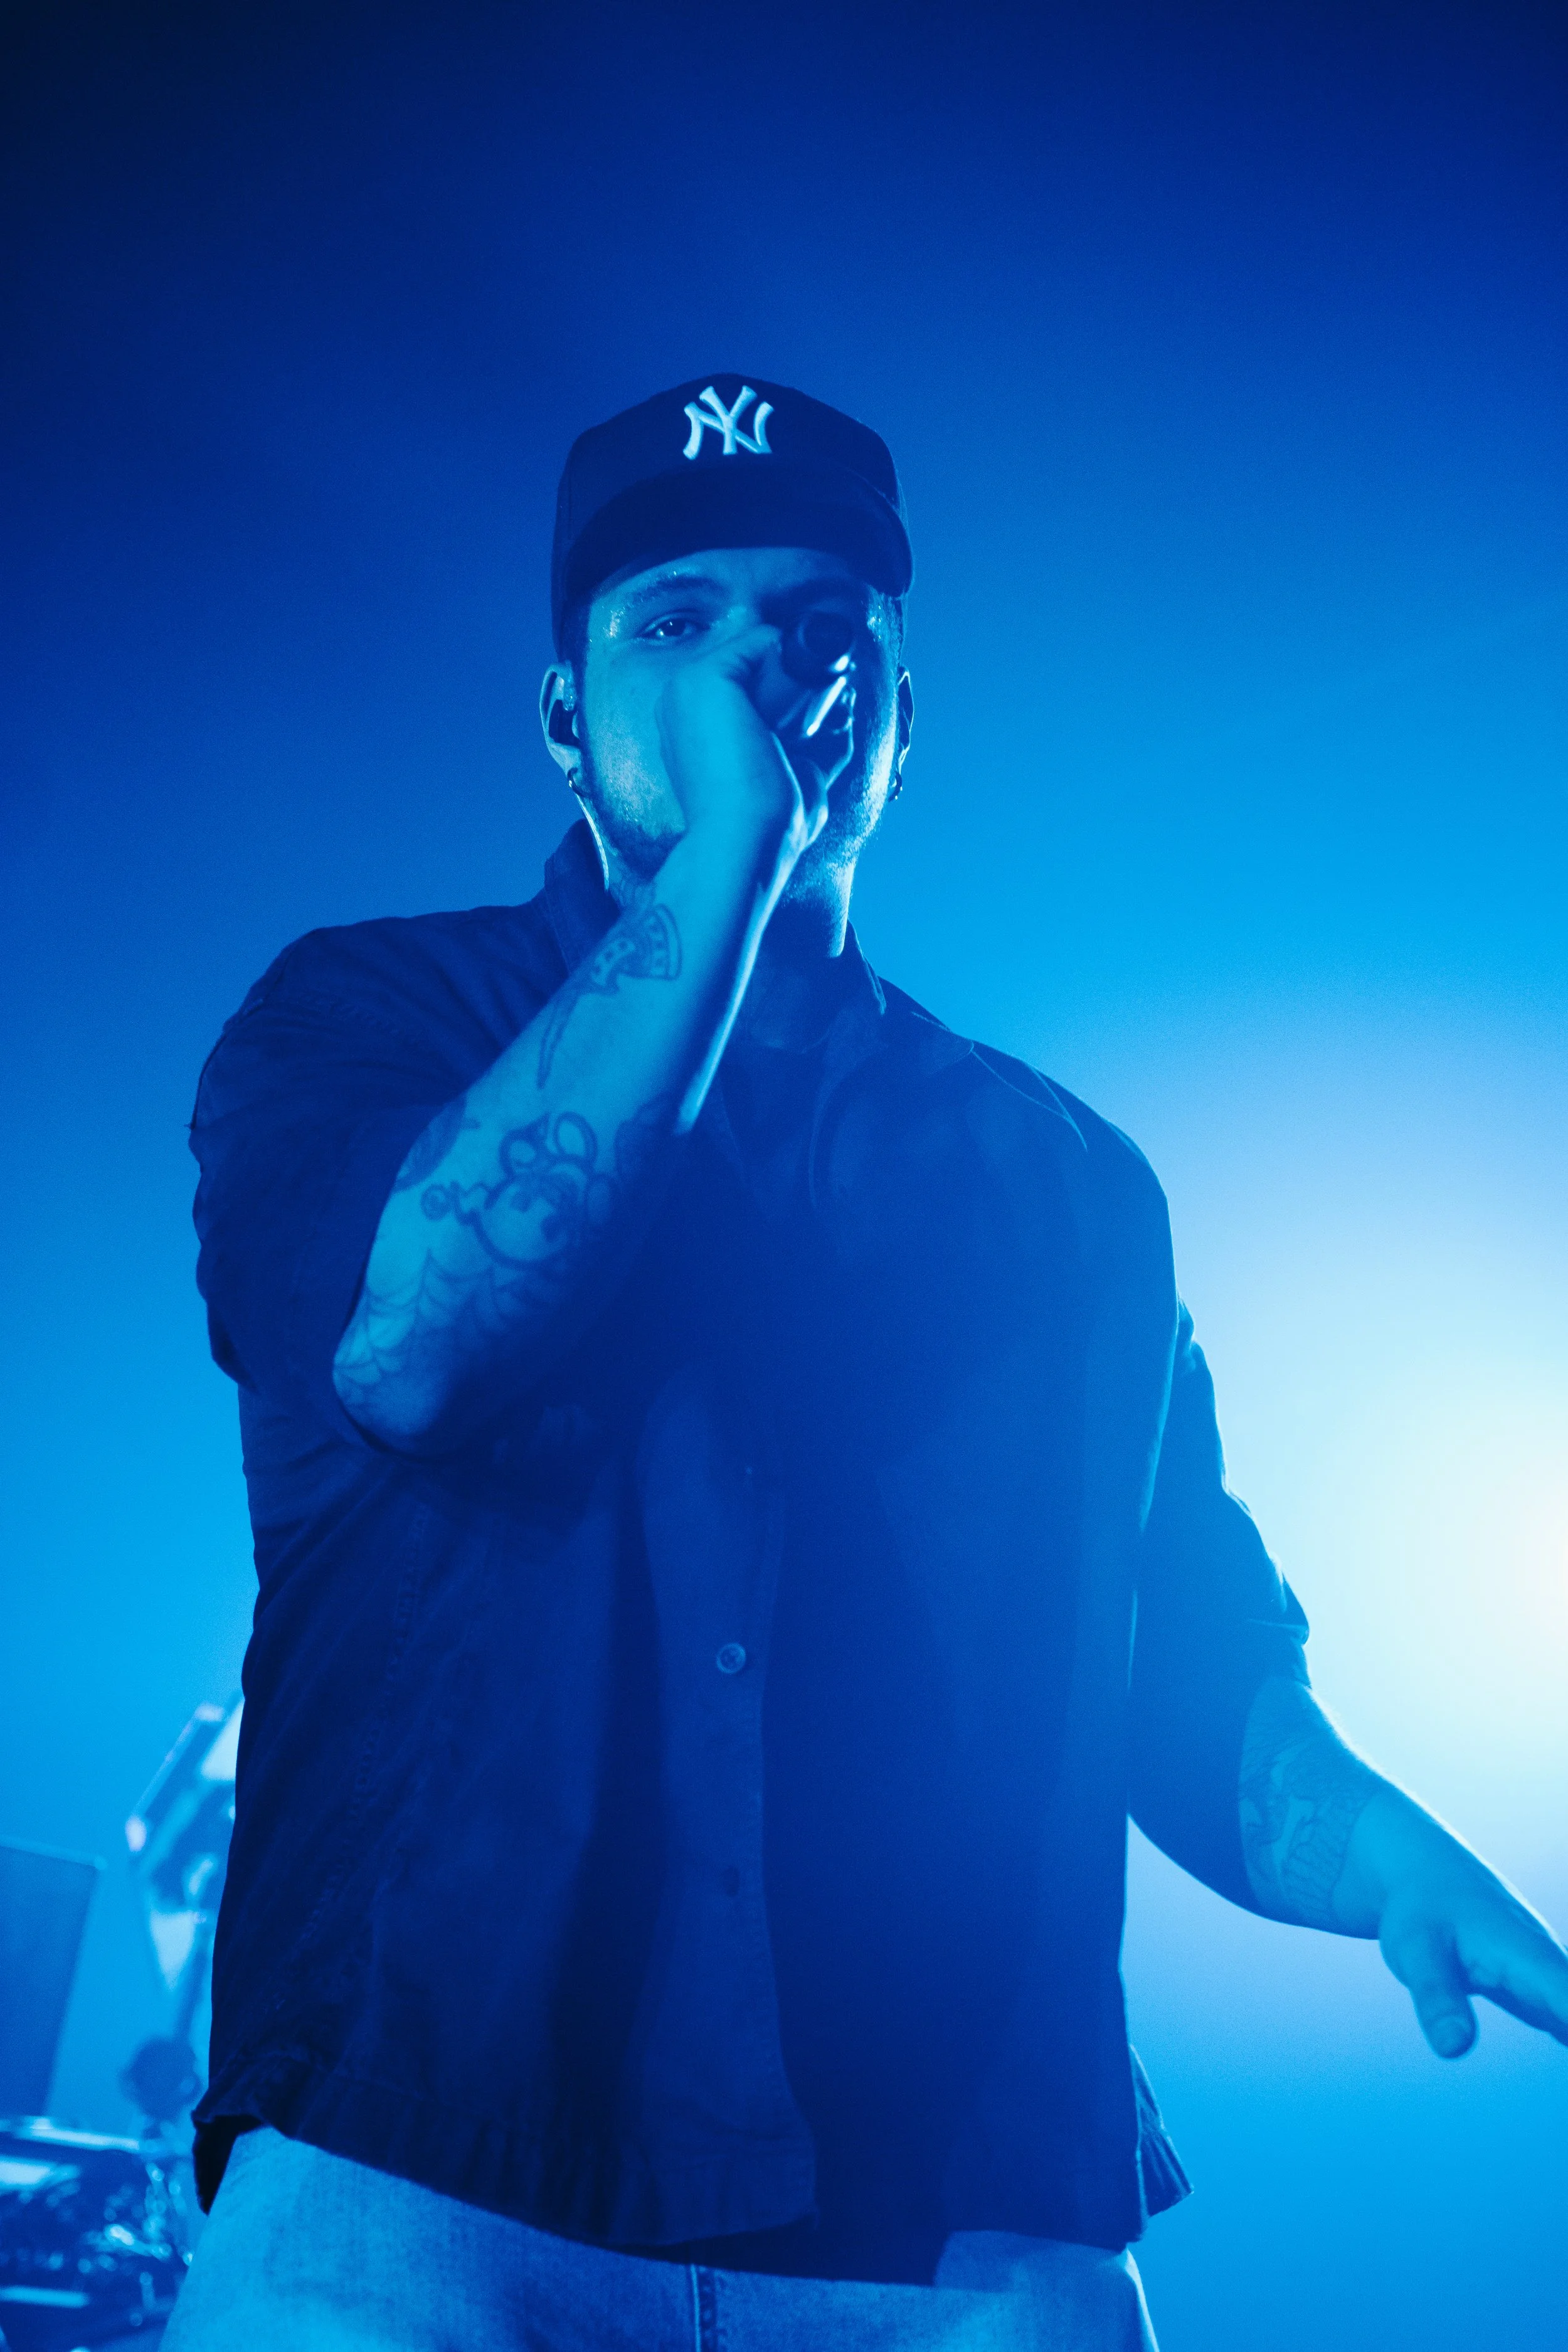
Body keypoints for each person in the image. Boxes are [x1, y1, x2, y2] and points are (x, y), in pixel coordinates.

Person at [167, 375, 1568, 2351]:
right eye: (676, 621)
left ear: (902, 717)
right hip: (422, 2193)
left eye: (825, 630)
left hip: (963, 2232)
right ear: (562, 710)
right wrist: (727, 859)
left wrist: (1372, 1849)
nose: (761, 667)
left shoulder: (1075, 1185)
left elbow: (1187, 1679)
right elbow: (412, 1344)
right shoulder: (368, 1015)